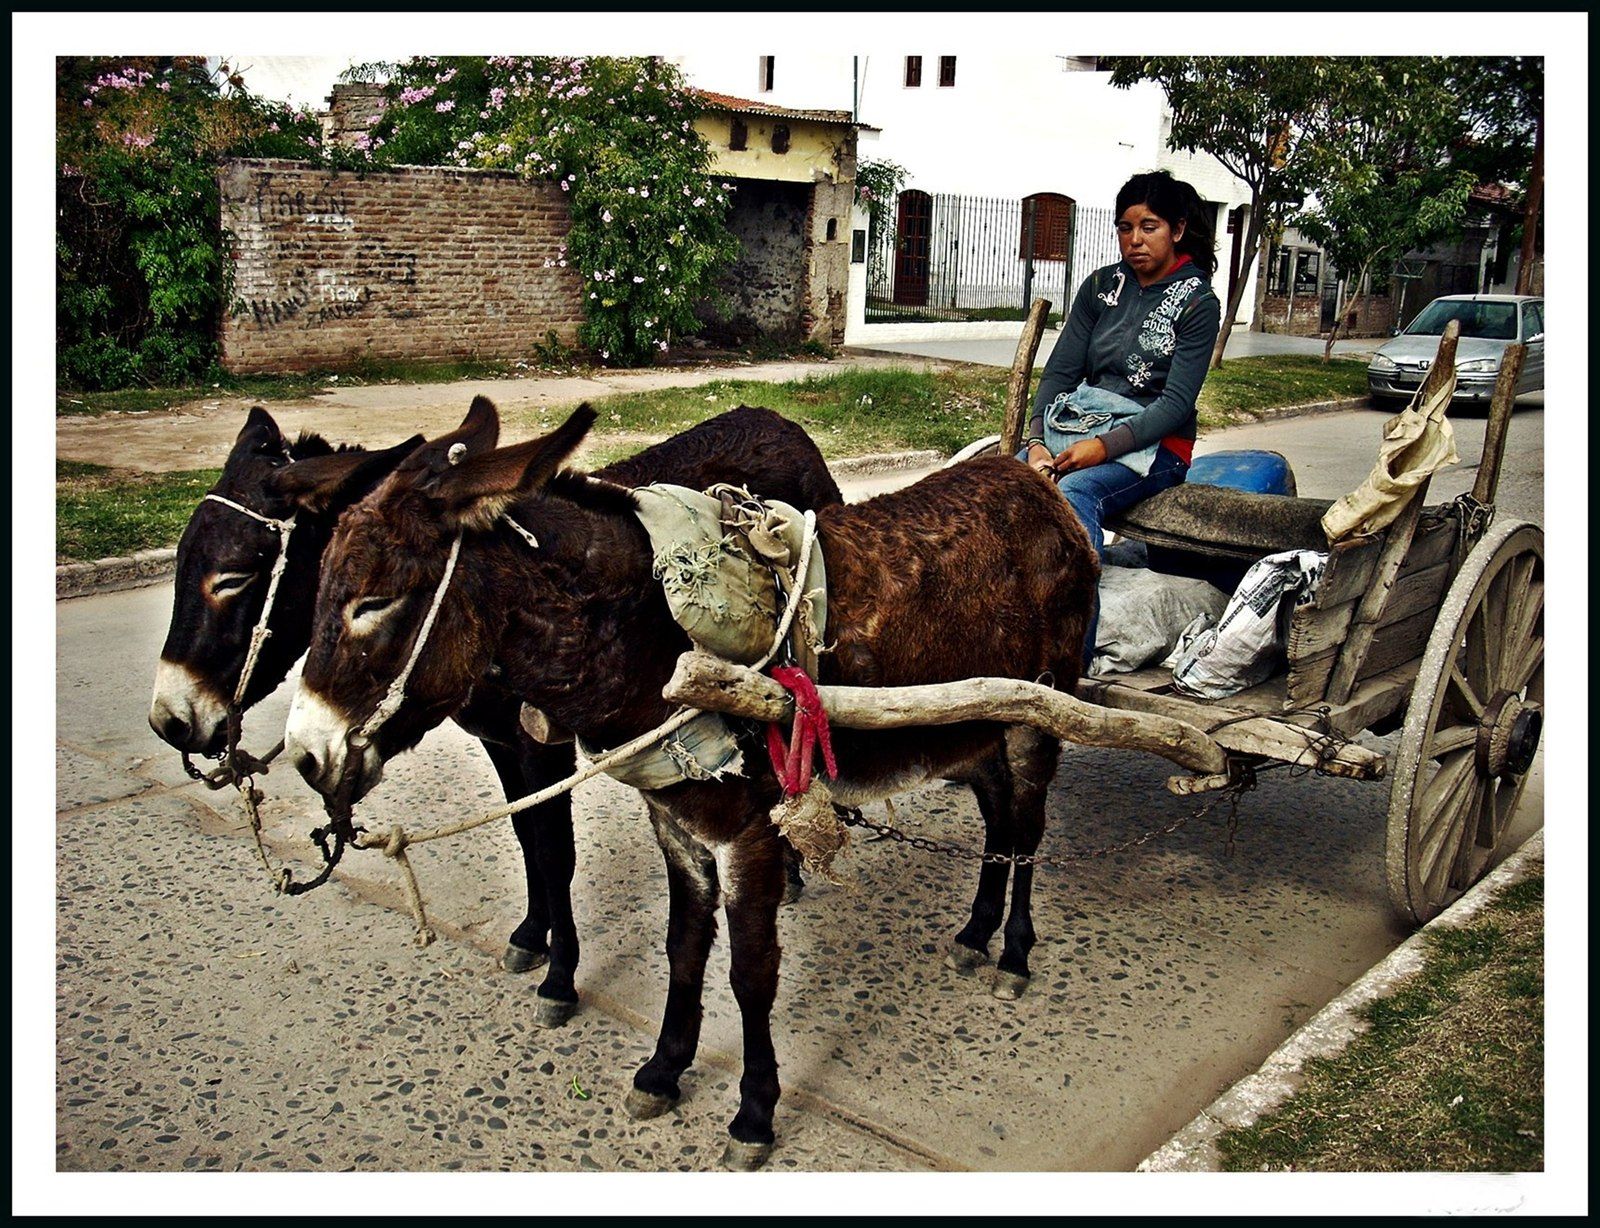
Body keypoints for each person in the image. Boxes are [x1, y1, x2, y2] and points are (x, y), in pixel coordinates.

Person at [1021, 170, 1222, 662]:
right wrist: (1037, 441)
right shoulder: (1100, 288)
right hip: (1077, 431)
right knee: (993, 483)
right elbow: (1060, 373)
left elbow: (1175, 405)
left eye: (1149, 227)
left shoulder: (1198, 303)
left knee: (1073, 494)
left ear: (1176, 230)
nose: (1135, 240)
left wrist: (1101, 449)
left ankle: (1071, 660)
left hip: (1155, 452)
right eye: (1125, 227)